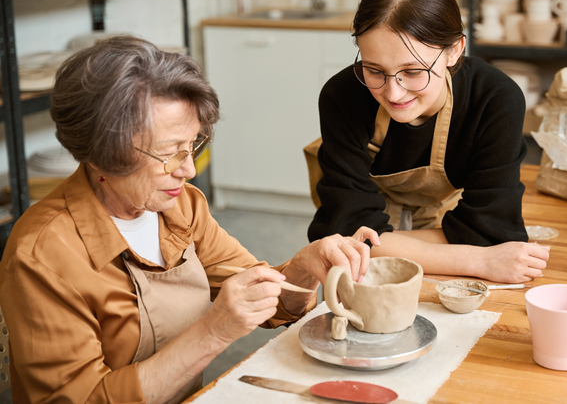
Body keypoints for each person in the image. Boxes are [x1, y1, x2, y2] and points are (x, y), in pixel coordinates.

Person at [0, 36, 378, 404]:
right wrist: (213, 332)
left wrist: (302, 268)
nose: (188, 170)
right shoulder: (42, 255)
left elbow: (259, 298)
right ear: (100, 154)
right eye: (168, 154)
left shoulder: (180, 207)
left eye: (193, 146)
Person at [307, 0, 548, 283]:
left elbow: (492, 231)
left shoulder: (494, 99)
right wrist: (481, 260)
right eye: (374, 70)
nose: (393, 93)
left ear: (454, 50)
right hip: (393, 260)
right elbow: (344, 240)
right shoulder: (343, 96)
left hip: (441, 223)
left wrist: (386, 244)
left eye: (413, 71)